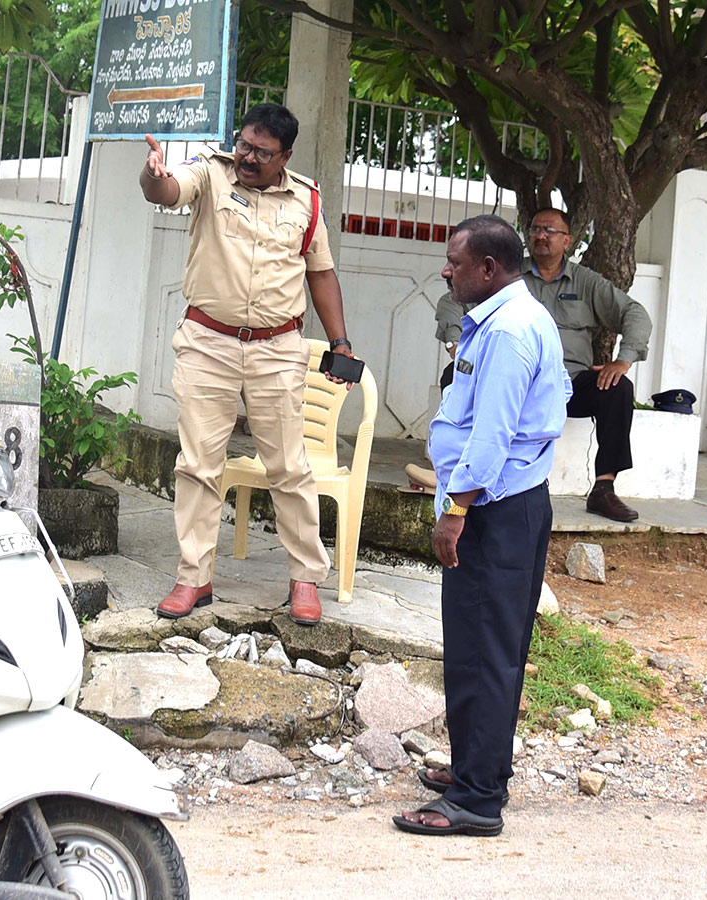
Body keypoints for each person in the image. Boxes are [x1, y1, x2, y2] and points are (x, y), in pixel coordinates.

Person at [138, 103, 353, 627]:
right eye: (244, 144)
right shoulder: (211, 173)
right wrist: (154, 176)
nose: (248, 157)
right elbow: (167, 192)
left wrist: (340, 342)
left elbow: (320, 274)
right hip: (207, 343)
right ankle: (194, 577)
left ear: (286, 156)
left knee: (289, 467)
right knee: (198, 465)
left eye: (262, 151)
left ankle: (304, 580)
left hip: (278, 350)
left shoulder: (306, 200)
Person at [394, 215, 570, 837]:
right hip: (501, 507)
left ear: (489, 269)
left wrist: (455, 512)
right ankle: (477, 770)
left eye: (456, 261)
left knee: (485, 654)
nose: (446, 270)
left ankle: (475, 802)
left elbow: (492, 437)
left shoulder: (511, 332)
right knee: (480, 650)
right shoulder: (505, 321)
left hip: (493, 511)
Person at [433, 207, 652, 521]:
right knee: (454, 375)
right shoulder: (507, 275)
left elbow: (635, 313)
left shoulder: (587, 282)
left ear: (567, 241)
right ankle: (456, 470)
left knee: (618, 389)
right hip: (510, 378)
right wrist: (455, 343)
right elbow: (450, 303)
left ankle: (604, 488)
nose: (540, 236)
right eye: (535, 229)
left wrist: (624, 359)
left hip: (568, 382)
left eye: (550, 231)